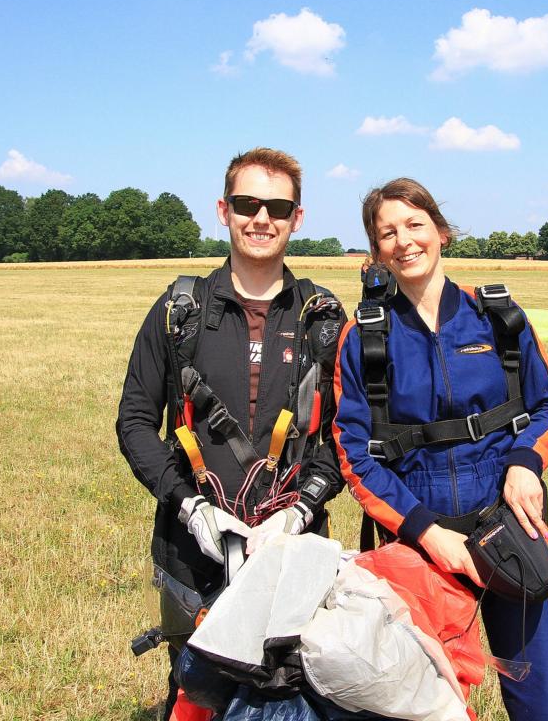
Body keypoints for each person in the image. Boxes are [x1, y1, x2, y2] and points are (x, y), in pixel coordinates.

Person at [332, 177, 548, 720]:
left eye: (414, 224)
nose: (404, 241)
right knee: (419, 702)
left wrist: (525, 463)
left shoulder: (498, 318)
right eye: (387, 233)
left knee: (543, 699)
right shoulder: (365, 337)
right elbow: (355, 454)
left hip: (508, 528)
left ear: (441, 232)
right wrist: (427, 532)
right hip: (419, 541)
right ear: (377, 251)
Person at [117, 148, 346, 720]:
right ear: (224, 210)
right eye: (247, 204)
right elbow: (135, 420)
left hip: (292, 550)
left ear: (297, 218)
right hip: (192, 550)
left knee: (294, 696)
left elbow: (346, 435)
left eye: (278, 207)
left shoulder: (321, 319)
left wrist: (299, 511)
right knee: (196, 696)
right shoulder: (179, 310)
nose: (261, 218)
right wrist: (188, 505)